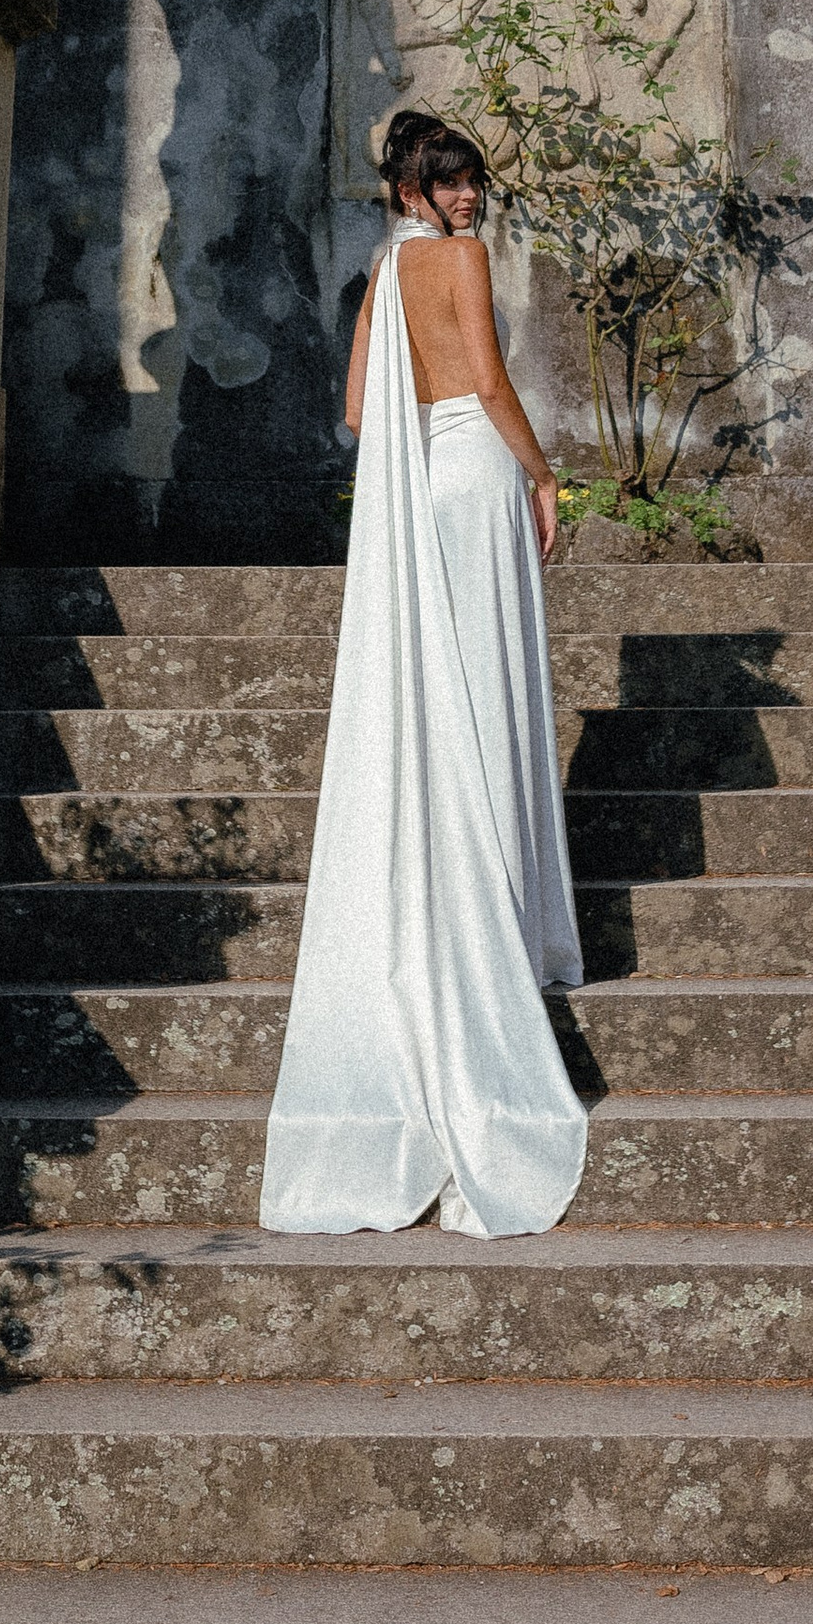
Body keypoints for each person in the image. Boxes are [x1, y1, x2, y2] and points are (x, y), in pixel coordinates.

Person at [259, 113, 587, 1239]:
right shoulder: (459, 260)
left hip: (422, 486)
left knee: (446, 692)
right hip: (480, 477)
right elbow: (488, 380)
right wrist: (543, 475)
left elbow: (360, 411)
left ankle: (462, 898)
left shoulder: (382, 276)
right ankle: (503, 923)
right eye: (446, 184)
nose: (466, 199)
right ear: (411, 189)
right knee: (488, 691)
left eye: (470, 181)